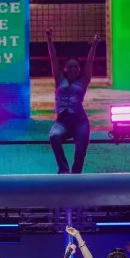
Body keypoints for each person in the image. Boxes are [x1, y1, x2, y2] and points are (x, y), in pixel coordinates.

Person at [47, 30, 100, 174]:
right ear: (65, 69)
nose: (73, 69)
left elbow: (90, 62)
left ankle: (76, 176)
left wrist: (94, 45)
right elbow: (53, 59)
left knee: (80, 153)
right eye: (70, 66)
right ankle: (63, 169)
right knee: (53, 136)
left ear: (79, 69)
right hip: (62, 122)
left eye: (76, 66)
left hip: (79, 123)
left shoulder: (83, 81)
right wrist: (49, 40)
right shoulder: (59, 80)